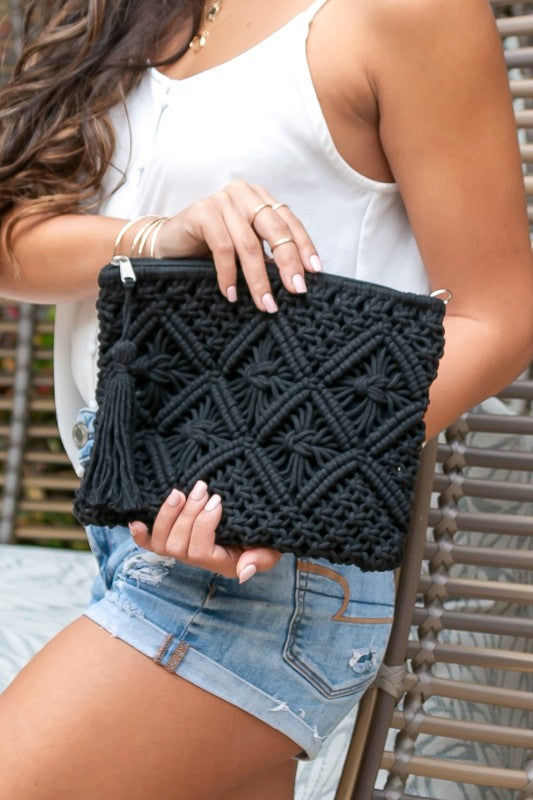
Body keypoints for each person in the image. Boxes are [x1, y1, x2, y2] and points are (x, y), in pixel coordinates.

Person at [0, 0, 532, 798]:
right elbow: (15, 244)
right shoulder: (123, 16)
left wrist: (274, 488)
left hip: (268, 563)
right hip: (131, 523)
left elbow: (498, 318)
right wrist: (153, 236)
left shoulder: (403, 13)